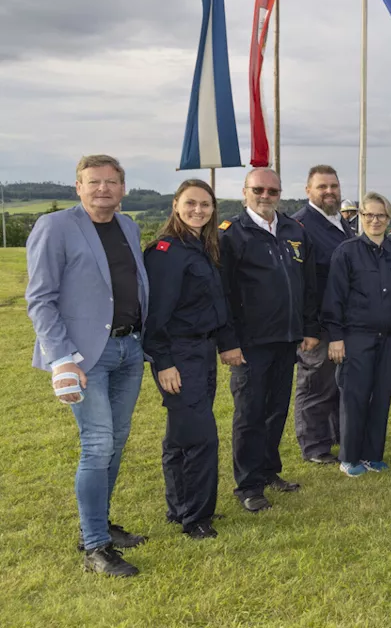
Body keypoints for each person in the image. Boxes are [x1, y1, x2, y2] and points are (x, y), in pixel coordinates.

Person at [26, 154, 150, 576]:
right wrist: (61, 358)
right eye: (93, 182)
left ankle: (98, 524)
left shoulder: (128, 225)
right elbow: (40, 298)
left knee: (116, 441)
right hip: (83, 358)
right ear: (77, 187)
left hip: (128, 351)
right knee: (97, 445)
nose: (103, 189)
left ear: (123, 188)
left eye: (112, 182)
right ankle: (95, 546)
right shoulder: (55, 227)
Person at [144, 179, 243, 541]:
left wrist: (226, 344)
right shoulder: (166, 253)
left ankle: (180, 505)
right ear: (175, 205)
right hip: (179, 354)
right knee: (201, 438)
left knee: (179, 437)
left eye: (206, 204)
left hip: (202, 351)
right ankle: (196, 517)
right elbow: (154, 316)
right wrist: (164, 362)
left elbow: (216, 303)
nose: (199, 210)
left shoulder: (203, 247)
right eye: (191, 203)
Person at [221, 167, 319, 513]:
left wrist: (309, 327)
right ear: (244, 192)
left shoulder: (294, 230)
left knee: (276, 410)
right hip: (250, 343)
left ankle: (267, 470)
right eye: (258, 190)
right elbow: (224, 293)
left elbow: (308, 285)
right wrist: (228, 341)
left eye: (272, 191)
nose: (265, 197)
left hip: (287, 338)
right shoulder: (231, 234)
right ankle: (247, 484)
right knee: (250, 412)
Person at [324, 193, 391, 476]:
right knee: (354, 396)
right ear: (360, 218)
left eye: (380, 216)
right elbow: (334, 298)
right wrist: (336, 337)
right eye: (368, 215)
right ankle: (350, 457)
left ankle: (373, 455)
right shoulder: (347, 251)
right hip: (357, 337)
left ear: (390, 219)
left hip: (390, 338)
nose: (374, 221)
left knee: (381, 396)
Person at [291, 165, 354, 465]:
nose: (329, 191)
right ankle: (314, 445)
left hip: (342, 319)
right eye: (322, 187)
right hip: (319, 323)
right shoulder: (300, 226)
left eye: (334, 185)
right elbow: (299, 281)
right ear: (308, 191)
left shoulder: (342, 222)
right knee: (316, 384)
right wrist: (309, 326)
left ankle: (339, 435)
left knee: (337, 382)